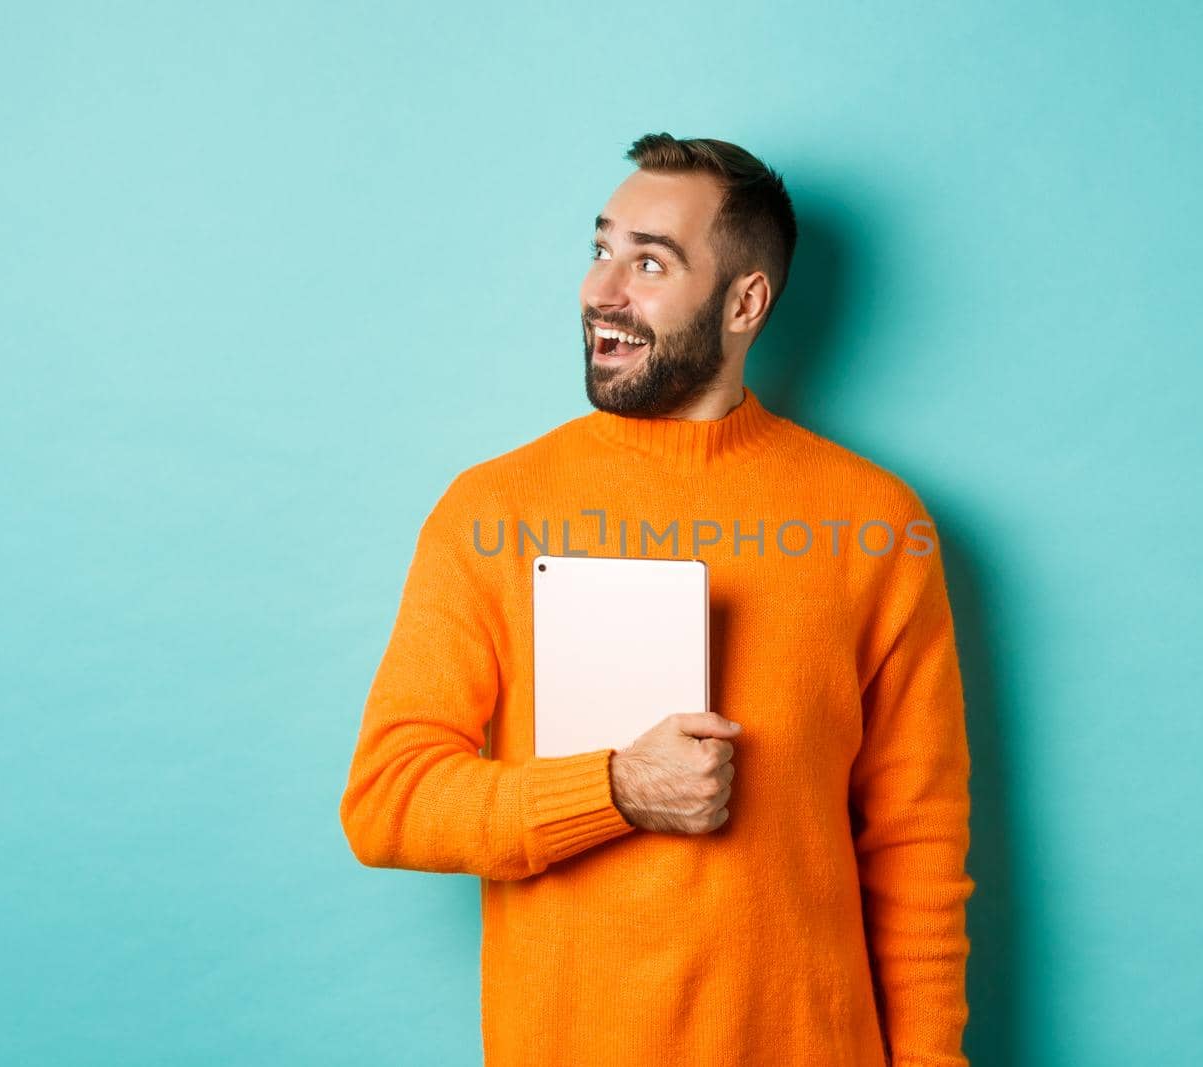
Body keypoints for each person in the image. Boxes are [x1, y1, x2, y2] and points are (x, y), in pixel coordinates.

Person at [338, 132, 974, 1066]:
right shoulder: (494, 511)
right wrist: (615, 788)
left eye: (650, 261)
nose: (601, 290)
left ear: (745, 301)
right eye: (601, 251)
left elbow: (918, 847)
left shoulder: (875, 523)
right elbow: (388, 799)